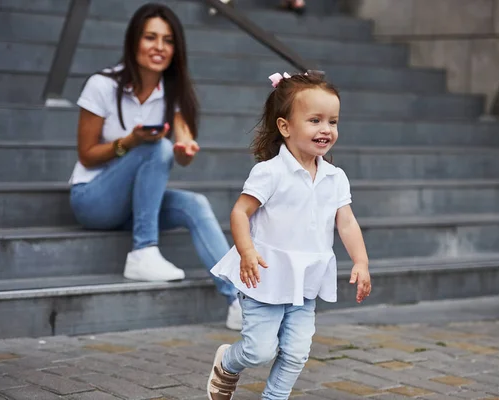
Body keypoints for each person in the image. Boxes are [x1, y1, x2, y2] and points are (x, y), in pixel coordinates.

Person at [68, 3, 242, 331]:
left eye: (168, 40)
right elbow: (87, 154)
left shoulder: (173, 95)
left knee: (195, 204)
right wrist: (130, 142)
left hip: (135, 206)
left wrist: (186, 150)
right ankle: (143, 250)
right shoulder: (101, 85)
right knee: (153, 148)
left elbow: (182, 149)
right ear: (134, 40)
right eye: (150, 37)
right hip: (92, 199)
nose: (159, 47)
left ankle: (237, 301)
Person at [206, 71, 372, 400]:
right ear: (285, 127)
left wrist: (361, 261)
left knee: (296, 353)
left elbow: (347, 223)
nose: (326, 129)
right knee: (258, 351)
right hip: (264, 279)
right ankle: (228, 362)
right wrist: (247, 252)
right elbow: (240, 212)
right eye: (315, 120)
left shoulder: (335, 177)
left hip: (304, 283)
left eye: (333, 121)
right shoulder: (270, 172)